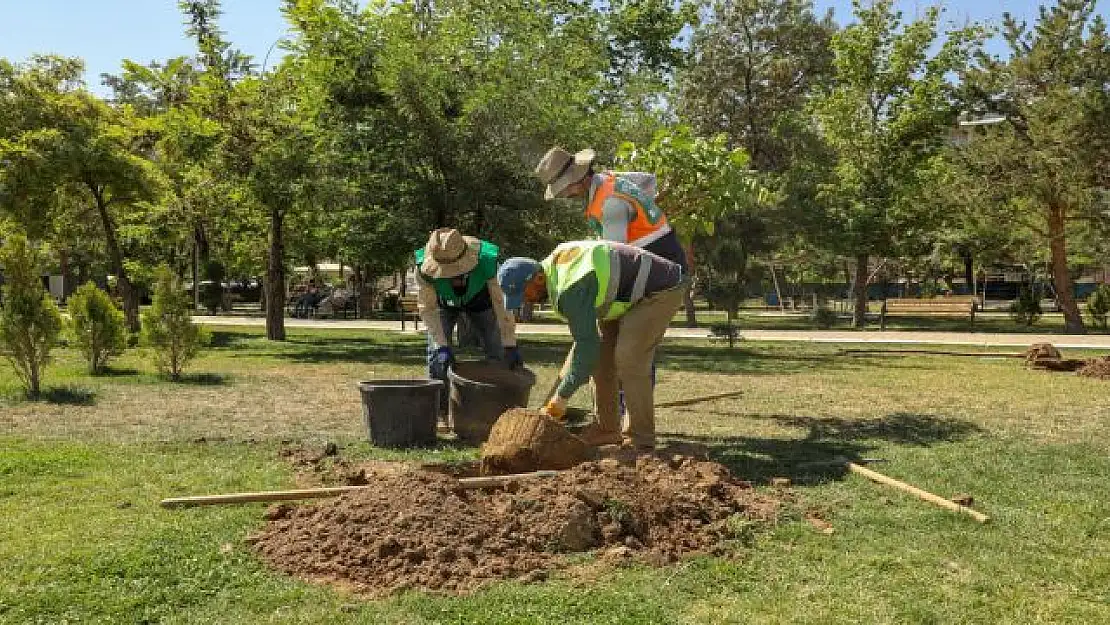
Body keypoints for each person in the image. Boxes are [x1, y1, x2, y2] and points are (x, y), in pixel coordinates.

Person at [498, 240, 686, 450]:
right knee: (601, 360)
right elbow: (589, 348)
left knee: (629, 357)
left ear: (539, 278)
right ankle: (607, 429)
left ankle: (641, 438)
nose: (525, 300)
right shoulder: (554, 269)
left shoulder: (569, 288)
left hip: (659, 291)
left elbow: (586, 347)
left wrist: (561, 397)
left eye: (525, 293)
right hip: (622, 297)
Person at [533, 147, 689, 273]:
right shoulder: (609, 178)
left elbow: (615, 259)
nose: (565, 195)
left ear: (578, 179)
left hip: (665, 269)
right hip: (664, 257)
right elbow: (649, 180)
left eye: (565, 189)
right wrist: (641, 211)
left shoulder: (610, 204)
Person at [414, 228, 522, 391]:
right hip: (444, 304)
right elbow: (428, 309)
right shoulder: (423, 271)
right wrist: (441, 344)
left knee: (497, 348)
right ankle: (441, 405)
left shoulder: (487, 261)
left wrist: (509, 342)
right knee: (437, 355)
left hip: (481, 301)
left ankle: (500, 395)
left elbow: (501, 303)